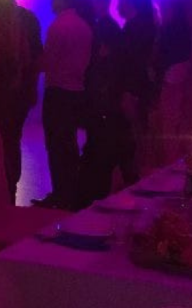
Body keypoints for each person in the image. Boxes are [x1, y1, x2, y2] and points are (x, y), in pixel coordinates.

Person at [32, 0, 93, 211]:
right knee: (69, 144)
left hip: (58, 92)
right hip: (77, 91)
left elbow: (47, 61)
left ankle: (60, 194)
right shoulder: (83, 26)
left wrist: (29, 63)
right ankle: (71, 193)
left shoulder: (58, 26)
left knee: (56, 145)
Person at [0, 0, 43, 204]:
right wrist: (32, 88)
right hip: (20, 93)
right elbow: (38, 58)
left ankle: (0, 192)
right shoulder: (28, 19)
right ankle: (10, 190)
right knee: (12, 140)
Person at [78, 0, 130, 204]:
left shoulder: (103, 27)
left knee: (99, 146)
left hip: (103, 100)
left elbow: (105, 66)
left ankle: (92, 195)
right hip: (106, 100)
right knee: (101, 145)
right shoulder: (110, 27)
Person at [116, 0, 157, 178]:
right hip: (141, 84)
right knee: (140, 129)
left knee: (134, 130)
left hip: (132, 86)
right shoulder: (147, 25)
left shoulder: (133, 28)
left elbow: (129, 61)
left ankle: (136, 172)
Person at [152, 0, 192, 167]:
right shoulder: (183, 27)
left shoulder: (169, 28)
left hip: (171, 75)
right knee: (176, 117)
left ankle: (171, 160)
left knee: (169, 119)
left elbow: (162, 54)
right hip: (180, 73)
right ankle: (177, 158)